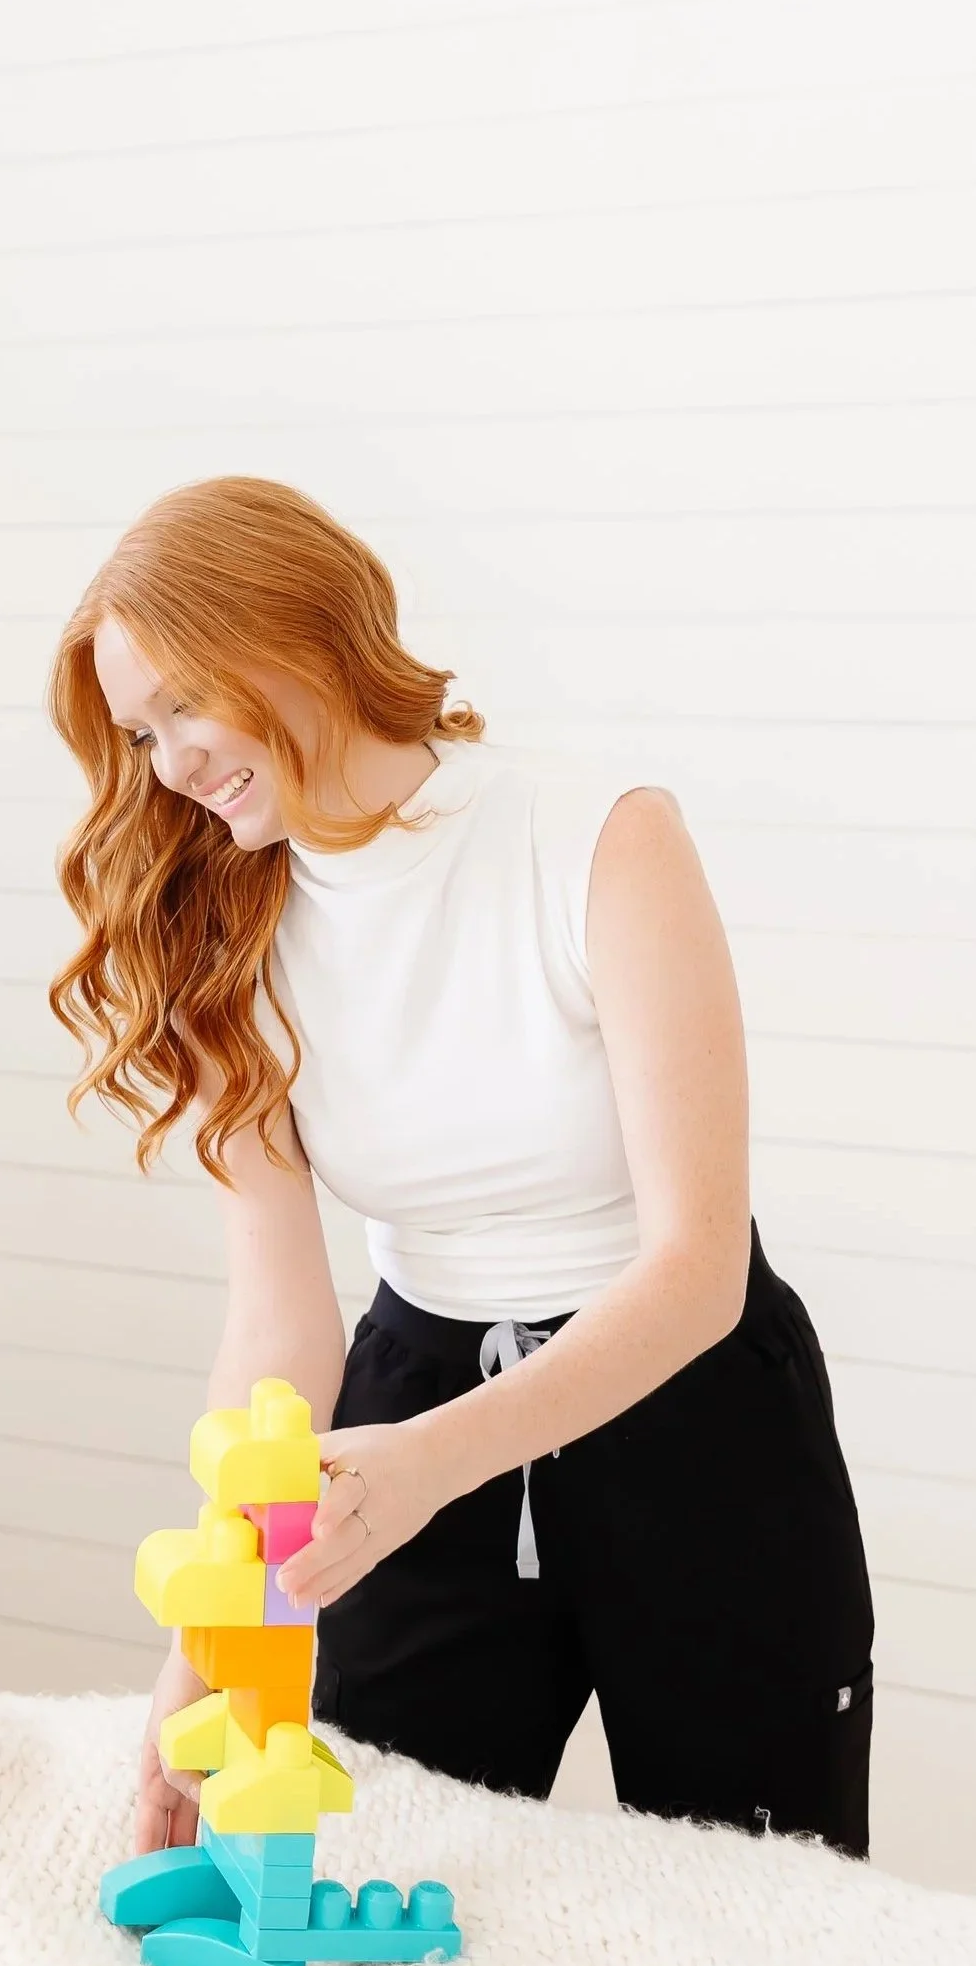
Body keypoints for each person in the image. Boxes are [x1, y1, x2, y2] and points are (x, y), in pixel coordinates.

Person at [46, 476, 875, 1860]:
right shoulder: (219, 925)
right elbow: (279, 1325)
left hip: (692, 1409)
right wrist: (204, 1647)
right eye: (141, 734)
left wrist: (433, 1467)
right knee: (390, 1866)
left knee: (761, 1906)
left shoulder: (597, 839)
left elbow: (695, 1268)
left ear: (298, 637)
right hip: (406, 1404)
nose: (171, 765)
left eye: (185, 706)